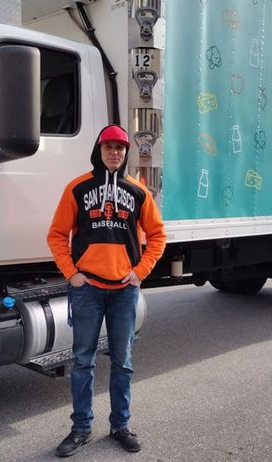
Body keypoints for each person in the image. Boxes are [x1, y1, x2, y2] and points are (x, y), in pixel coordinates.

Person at [47, 124, 166, 457]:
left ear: (126, 153)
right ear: (98, 150)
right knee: (83, 362)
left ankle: (120, 426)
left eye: (120, 148)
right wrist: (71, 273)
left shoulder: (138, 191)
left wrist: (140, 272)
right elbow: (56, 234)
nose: (115, 152)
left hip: (124, 292)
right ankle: (81, 428)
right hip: (87, 289)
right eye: (108, 147)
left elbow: (157, 236)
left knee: (123, 362)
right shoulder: (78, 188)